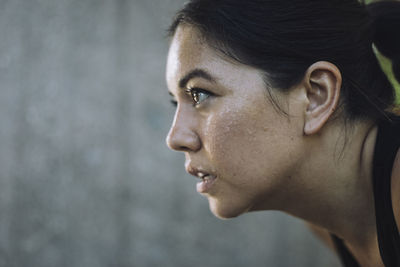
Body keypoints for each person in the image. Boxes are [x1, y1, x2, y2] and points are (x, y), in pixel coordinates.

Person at [164, 0, 400, 266]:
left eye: (200, 94)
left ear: (315, 97)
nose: (175, 139)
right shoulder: (327, 219)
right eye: (176, 102)